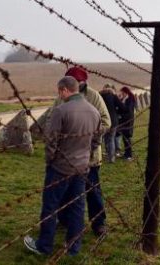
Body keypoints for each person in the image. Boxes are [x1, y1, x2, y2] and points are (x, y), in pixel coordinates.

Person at [24, 76, 101, 255]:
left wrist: (51, 160)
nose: (60, 95)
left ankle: (44, 246)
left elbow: (51, 141)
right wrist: (86, 156)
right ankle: (73, 247)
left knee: (50, 206)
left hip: (60, 167)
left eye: (60, 92)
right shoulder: (94, 111)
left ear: (64, 90)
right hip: (82, 168)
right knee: (77, 207)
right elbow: (96, 140)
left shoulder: (61, 110)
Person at [57, 66, 111, 236]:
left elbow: (106, 121)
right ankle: (65, 219)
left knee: (93, 190)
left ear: (82, 83)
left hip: (90, 157)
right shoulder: (62, 96)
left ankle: (98, 223)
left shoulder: (94, 96)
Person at [99, 84, 126, 163]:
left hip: (103, 120)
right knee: (111, 139)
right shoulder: (113, 96)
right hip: (113, 121)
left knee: (102, 139)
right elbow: (122, 107)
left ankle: (102, 155)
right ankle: (111, 158)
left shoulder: (99, 96)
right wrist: (117, 111)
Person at [118, 87, 136, 160]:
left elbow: (128, 111)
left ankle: (129, 155)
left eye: (123, 93)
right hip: (124, 121)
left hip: (128, 121)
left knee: (127, 138)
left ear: (126, 92)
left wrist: (121, 115)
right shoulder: (124, 99)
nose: (122, 94)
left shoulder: (130, 100)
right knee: (124, 138)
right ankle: (126, 153)